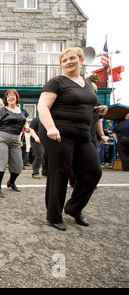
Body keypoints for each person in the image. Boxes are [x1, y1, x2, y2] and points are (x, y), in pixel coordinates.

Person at [37, 47, 107, 231]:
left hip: (83, 134)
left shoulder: (88, 84)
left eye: (72, 58)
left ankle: (74, 208)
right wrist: (51, 128)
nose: (68, 62)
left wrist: (98, 110)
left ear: (81, 60)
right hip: (58, 131)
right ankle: (54, 215)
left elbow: (86, 106)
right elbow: (42, 106)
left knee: (93, 172)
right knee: (60, 171)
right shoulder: (56, 82)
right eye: (64, 60)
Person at [0, 89, 29, 198]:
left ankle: (11, 182)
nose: (11, 97)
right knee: (1, 163)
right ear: (6, 99)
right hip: (2, 137)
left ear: (16, 97)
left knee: (18, 165)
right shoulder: (3, 110)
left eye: (13, 95)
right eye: (8, 96)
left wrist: (29, 129)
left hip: (16, 139)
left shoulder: (23, 111)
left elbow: (26, 124)